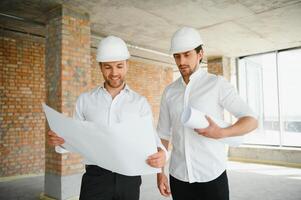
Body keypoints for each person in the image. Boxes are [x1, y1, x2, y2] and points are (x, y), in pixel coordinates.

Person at [48, 35, 166, 200]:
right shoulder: (85, 100)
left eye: (119, 66)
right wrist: (61, 141)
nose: (114, 73)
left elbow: (154, 142)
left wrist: (162, 154)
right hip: (95, 179)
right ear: (100, 67)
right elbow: (75, 139)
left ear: (127, 65)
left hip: (129, 179)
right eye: (108, 67)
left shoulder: (140, 103)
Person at [156, 27, 258, 200]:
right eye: (177, 56)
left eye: (187, 54)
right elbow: (163, 134)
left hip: (212, 176)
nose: (181, 61)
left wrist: (221, 132)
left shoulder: (217, 85)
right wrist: (160, 172)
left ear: (200, 53)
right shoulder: (169, 92)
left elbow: (251, 120)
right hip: (178, 177)